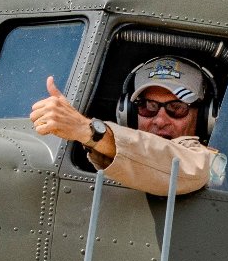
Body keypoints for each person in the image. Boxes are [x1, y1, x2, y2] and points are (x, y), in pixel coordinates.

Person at [29, 55, 216, 195]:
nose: (160, 120)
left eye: (176, 108)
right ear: (129, 112)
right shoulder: (110, 156)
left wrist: (87, 130)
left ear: (204, 115)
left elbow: (179, 164)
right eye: (148, 106)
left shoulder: (206, 162)